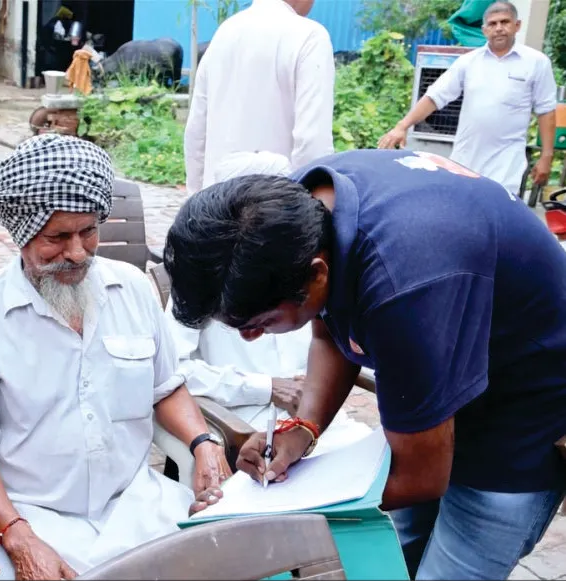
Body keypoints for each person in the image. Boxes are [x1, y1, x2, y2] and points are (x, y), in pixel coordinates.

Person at [164, 148, 566, 580]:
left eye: (259, 324)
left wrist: (270, 513)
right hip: (447, 368)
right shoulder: (294, 215)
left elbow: (422, 478)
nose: (249, 337)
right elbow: (328, 329)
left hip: (523, 413)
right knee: (391, 556)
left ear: (317, 274)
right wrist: (303, 428)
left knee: (452, 569)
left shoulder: (403, 288)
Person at [0, 134, 231, 580]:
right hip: (34, 519)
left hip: (137, 503)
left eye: (89, 231)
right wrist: (16, 534)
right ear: (22, 233)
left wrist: (203, 442)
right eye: (57, 237)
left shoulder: (132, 288)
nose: (76, 253)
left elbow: (166, 388)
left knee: (232, 558)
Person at [165, 150, 370, 452]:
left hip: (321, 421)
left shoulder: (309, 268)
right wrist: (266, 387)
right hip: (243, 424)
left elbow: (330, 341)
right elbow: (171, 371)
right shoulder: (203, 285)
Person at [378, 1, 557, 197]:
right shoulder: (468, 62)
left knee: (496, 211)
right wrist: (402, 126)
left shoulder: (536, 63)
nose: (499, 28)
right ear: (484, 30)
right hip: (465, 160)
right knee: (460, 209)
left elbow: (546, 110)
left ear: (517, 25)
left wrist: (546, 156)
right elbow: (435, 96)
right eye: (492, 24)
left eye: (505, 22)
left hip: (506, 165)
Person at [183, 0, 335, 195]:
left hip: (216, 201)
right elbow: (312, 144)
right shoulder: (310, 37)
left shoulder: (225, 33)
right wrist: (313, 205)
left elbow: (196, 133)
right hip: (274, 204)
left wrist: (195, 198)